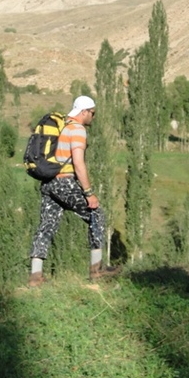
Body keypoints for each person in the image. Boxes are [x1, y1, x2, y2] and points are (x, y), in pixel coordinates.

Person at [29, 95, 109, 286]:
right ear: (84, 112)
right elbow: (78, 164)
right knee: (96, 214)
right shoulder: (77, 129)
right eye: (93, 113)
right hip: (64, 181)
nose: (93, 117)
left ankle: (35, 276)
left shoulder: (63, 127)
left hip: (48, 182)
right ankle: (96, 270)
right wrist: (89, 193)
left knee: (46, 225)